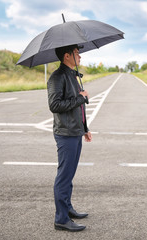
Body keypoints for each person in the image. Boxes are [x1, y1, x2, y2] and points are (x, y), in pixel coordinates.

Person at [47, 44, 92, 232]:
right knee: (64, 176)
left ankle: (68, 208)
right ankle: (61, 219)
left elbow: (77, 108)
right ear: (67, 56)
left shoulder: (72, 75)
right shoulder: (57, 77)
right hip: (65, 134)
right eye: (76, 53)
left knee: (70, 175)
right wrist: (81, 97)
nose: (80, 57)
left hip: (75, 131)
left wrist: (85, 127)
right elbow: (55, 105)